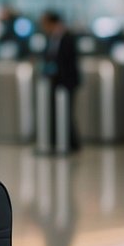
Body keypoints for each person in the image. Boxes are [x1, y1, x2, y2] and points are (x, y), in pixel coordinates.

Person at [39, 9, 81, 151]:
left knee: (66, 112)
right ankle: (57, 141)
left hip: (67, 82)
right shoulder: (51, 37)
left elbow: (68, 61)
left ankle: (71, 143)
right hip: (55, 82)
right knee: (56, 112)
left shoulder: (68, 37)